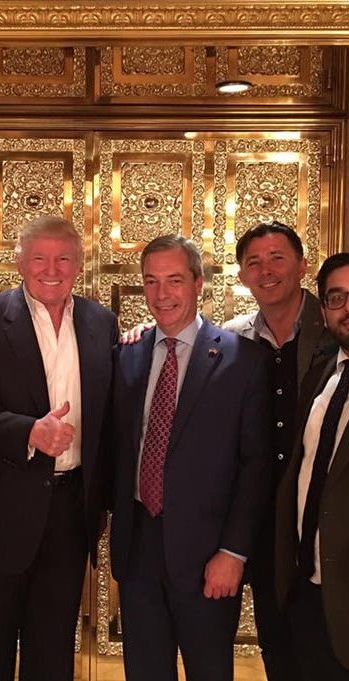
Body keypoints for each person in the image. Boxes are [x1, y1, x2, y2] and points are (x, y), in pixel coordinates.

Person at [0, 215, 118, 681]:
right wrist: (28, 432)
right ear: (20, 262)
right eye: (39, 258)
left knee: (53, 653)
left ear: (79, 265)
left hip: (70, 513)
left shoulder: (101, 323)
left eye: (63, 258)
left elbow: (110, 413)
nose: (52, 269)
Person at [110, 234, 272, 681]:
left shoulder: (243, 359)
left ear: (198, 283)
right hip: (138, 549)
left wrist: (233, 552)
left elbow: (256, 465)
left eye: (175, 280)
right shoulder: (126, 354)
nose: (162, 294)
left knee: (209, 671)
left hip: (208, 556)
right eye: (151, 281)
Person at [224, 221, 333, 681]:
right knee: (278, 644)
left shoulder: (334, 328)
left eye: (277, 258)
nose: (266, 270)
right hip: (264, 523)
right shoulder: (232, 341)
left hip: (324, 521)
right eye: (254, 263)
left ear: (303, 266)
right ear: (242, 275)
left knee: (326, 647)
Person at [276, 252, 349, 680]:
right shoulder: (324, 375)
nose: (347, 307)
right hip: (308, 590)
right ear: (324, 311)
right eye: (336, 298)